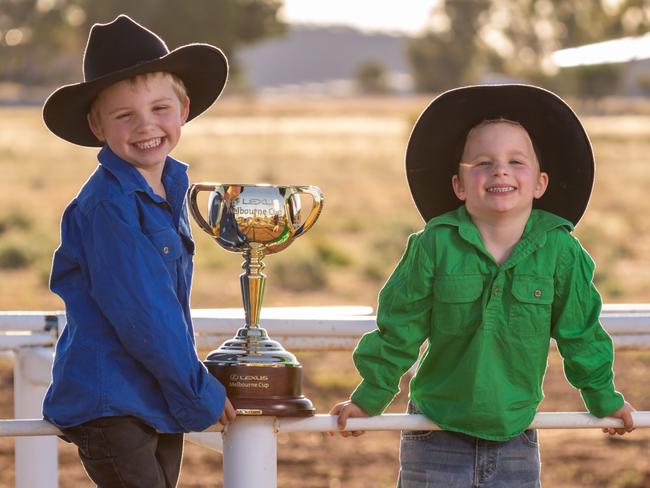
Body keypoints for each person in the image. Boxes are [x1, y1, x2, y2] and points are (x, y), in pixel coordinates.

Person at [330, 84, 635, 487]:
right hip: (435, 432)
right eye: (483, 162)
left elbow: (581, 334)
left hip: (515, 434)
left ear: (540, 183)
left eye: (516, 161)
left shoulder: (561, 252)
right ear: (458, 185)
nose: (500, 171)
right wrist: (369, 397)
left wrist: (604, 400)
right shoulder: (434, 245)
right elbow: (398, 328)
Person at [41, 15, 236, 488]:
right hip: (113, 403)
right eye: (124, 115)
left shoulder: (168, 188)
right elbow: (142, 310)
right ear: (96, 124)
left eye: (160, 108)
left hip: (155, 394)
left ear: (184, 109)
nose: (146, 126)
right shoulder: (108, 206)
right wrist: (197, 391)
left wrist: (184, 384)